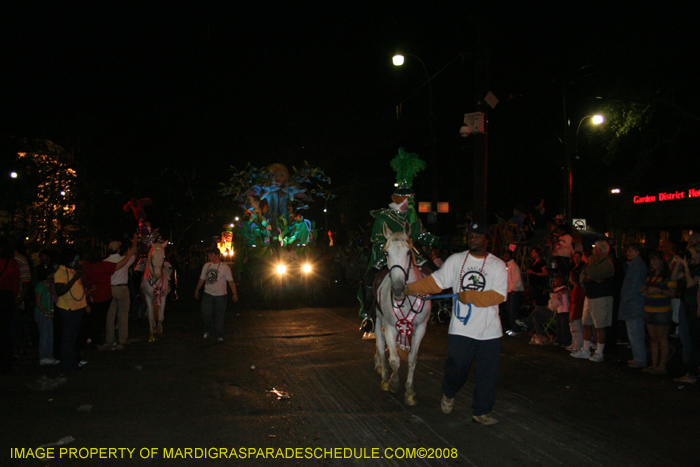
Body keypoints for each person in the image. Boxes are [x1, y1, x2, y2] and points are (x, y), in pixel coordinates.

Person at [406, 222, 507, 426]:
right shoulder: (456, 260)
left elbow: (498, 296)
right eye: (470, 235)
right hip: (462, 328)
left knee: (487, 375)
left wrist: (470, 295)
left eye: (478, 236)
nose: (473, 238)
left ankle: (482, 411)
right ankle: (449, 392)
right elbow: (435, 282)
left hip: (490, 331)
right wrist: (410, 289)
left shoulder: (497, 265)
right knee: (456, 368)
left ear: (487, 240)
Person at [358, 149, 441, 339]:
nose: (411, 201)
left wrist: (440, 240)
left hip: (410, 254)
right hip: (387, 255)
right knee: (369, 281)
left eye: (411, 198)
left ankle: (432, 309)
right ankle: (370, 317)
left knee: (435, 274)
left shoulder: (411, 217)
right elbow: (378, 240)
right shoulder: (384, 217)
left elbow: (422, 236)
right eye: (408, 198)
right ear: (400, 199)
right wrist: (392, 250)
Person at [572, 240, 615, 363]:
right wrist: (589, 277)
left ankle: (599, 352)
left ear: (601, 250)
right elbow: (582, 276)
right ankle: (585, 350)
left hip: (600, 298)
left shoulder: (606, 264)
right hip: (590, 297)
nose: (592, 251)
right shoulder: (594, 263)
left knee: (600, 326)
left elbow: (591, 273)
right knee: (586, 324)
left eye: (595, 249)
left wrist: (589, 273)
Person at [54, 249, 88, 375]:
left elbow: (83, 282)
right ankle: (67, 367)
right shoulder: (61, 272)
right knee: (68, 339)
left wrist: (80, 271)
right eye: (75, 259)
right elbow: (60, 291)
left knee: (73, 338)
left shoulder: (72, 271)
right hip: (68, 308)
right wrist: (74, 279)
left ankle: (72, 364)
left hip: (77, 307)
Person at [641, 251, 676, 375]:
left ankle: (662, 366)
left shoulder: (668, 275)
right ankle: (654, 364)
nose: (653, 263)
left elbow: (673, 293)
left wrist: (659, 290)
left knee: (662, 338)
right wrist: (645, 289)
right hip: (649, 309)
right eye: (651, 260)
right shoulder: (649, 275)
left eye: (655, 260)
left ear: (661, 261)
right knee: (653, 339)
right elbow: (643, 287)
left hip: (662, 310)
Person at [194, 248, 238, 343]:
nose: (209, 257)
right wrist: (197, 290)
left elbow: (230, 281)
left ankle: (219, 335)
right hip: (208, 294)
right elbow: (202, 279)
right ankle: (208, 329)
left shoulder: (224, 267)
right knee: (206, 313)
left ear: (216, 255)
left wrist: (234, 293)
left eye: (210, 255)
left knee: (219, 316)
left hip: (220, 295)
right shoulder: (206, 266)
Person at [672, 244, 700, 383]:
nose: (689, 255)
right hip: (687, 306)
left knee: (695, 341)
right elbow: (674, 277)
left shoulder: (697, 269)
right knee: (688, 339)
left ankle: (692, 373)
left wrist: (687, 266)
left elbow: (690, 283)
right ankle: (691, 369)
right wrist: (679, 263)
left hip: (696, 307)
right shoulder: (690, 267)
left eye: (691, 253)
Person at [104, 237, 137, 348]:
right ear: (118, 250)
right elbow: (134, 255)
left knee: (110, 315)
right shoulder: (124, 259)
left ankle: (110, 339)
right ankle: (123, 338)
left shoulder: (105, 262)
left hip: (110, 289)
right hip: (122, 289)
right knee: (123, 314)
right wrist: (135, 244)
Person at [619, 243, 648, 369]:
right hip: (632, 302)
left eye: (631, 251)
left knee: (635, 332)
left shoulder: (637, 266)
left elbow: (635, 285)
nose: (628, 253)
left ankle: (640, 359)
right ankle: (638, 357)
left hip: (634, 303)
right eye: (628, 251)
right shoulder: (634, 265)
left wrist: (626, 297)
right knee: (633, 332)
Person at [0, 236, 20, 375]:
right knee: (5, 332)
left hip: (4, 297)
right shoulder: (12, 263)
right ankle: (6, 363)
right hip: (7, 298)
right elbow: (16, 285)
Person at [34, 264, 59, 365]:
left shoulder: (47, 285)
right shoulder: (41, 285)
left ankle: (48, 356)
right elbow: (38, 303)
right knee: (45, 336)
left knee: (49, 335)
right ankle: (44, 356)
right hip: (42, 313)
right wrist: (46, 313)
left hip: (47, 312)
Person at [502, 250, 524, 336]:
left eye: (507, 256)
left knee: (513, 311)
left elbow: (516, 279)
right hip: (511, 291)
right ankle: (513, 328)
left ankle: (517, 328)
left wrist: (514, 289)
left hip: (514, 291)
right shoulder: (509, 266)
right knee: (510, 310)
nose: (505, 257)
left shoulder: (513, 266)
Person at [567, 271, 585, 353]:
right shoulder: (580, 289)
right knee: (577, 330)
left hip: (576, 314)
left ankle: (578, 346)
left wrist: (571, 315)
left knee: (576, 331)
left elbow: (574, 303)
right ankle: (575, 344)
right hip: (579, 313)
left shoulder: (576, 290)